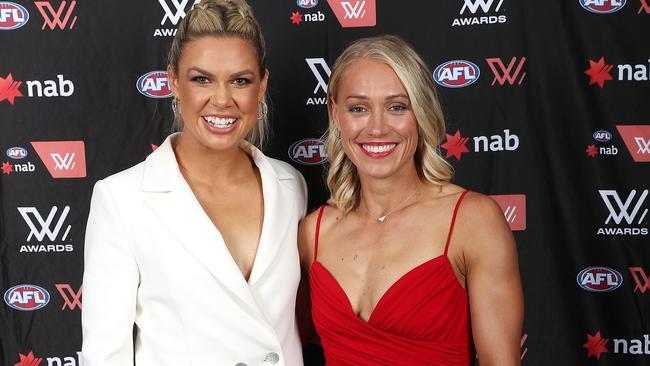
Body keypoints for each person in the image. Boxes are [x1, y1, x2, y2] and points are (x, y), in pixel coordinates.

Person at [82, 1, 306, 365]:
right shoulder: (122, 200)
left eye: (240, 80)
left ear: (262, 84)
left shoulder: (290, 186)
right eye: (202, 79)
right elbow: (104, 355)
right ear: (173, 81)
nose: (221, 100)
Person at [298, 35, 524, 365]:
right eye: (358, 108)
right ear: (335, 112)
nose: (376, 128)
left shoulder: (471, 221)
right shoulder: (314, 232)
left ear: (420, 111)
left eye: (397, 107)